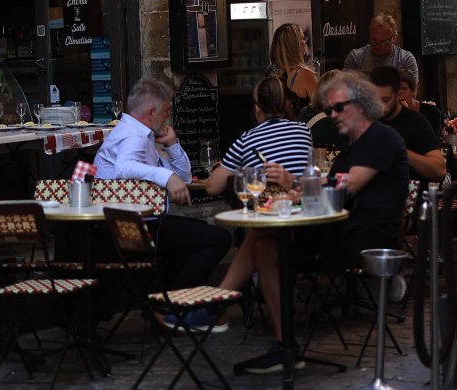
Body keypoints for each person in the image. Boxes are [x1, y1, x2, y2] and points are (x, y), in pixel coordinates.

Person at [232, 72, 410, 376]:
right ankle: (278, 340)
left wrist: (300, 188)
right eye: (328, 110)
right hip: (338, 230)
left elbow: (347, 187)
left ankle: (224, 305)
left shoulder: (381, 137)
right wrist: (294, 186)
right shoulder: (353, 147)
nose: (332, 116)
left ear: (363, 105)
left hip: (363, 239)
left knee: (266, 242)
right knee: (264, 239)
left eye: (339, 108)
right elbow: (324, 186)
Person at [94, 77, 231, 323]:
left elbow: (185, 176)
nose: (168, 117)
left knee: (197, 236)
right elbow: (125, 167)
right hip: (131, 227)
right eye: (166, 111)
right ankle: (168, 304)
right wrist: (166, 177)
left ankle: (161, 301)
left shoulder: (141, 134)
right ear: (151, 112)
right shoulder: (133, 137)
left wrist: (173, 145)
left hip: (138, 223)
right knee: (218, 238)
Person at [205, 77, 314, 341]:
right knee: (258, 238)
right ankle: (218, 303)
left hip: (281, 219)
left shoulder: (247, 139)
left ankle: (218, 302)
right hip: (304, 216)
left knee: (257, 235)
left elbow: (212, 188)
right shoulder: (304, 131)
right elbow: (312, 171)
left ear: (257, 109)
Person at [371, 66, 445, 182]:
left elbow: (439, 171)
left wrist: (401, 152)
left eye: (386, 100)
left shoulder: (415, 122)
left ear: (397, 94)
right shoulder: (365, 120)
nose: (381, 107)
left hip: (409, 193)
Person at [342, 13, 419, 91]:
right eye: (374, 40)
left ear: (394, 38)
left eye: (383, 41)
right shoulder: (356, 58)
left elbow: (412, 93)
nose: (377, 45)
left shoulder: (405, 60)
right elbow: (345, 90)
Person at [268, 23, 317, 118]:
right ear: (295, 45)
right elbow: (319, 112)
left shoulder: (270, 72)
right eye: (302, 38)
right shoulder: (305, 74)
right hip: (299, 131)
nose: (305, 42)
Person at [397, 71, 447, 140]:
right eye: (396, 89)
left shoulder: (432, 112)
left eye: (403, 88)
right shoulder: (389, 114)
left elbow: (432, 143)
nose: (399, 92)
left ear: (413, 89)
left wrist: (407, 114)